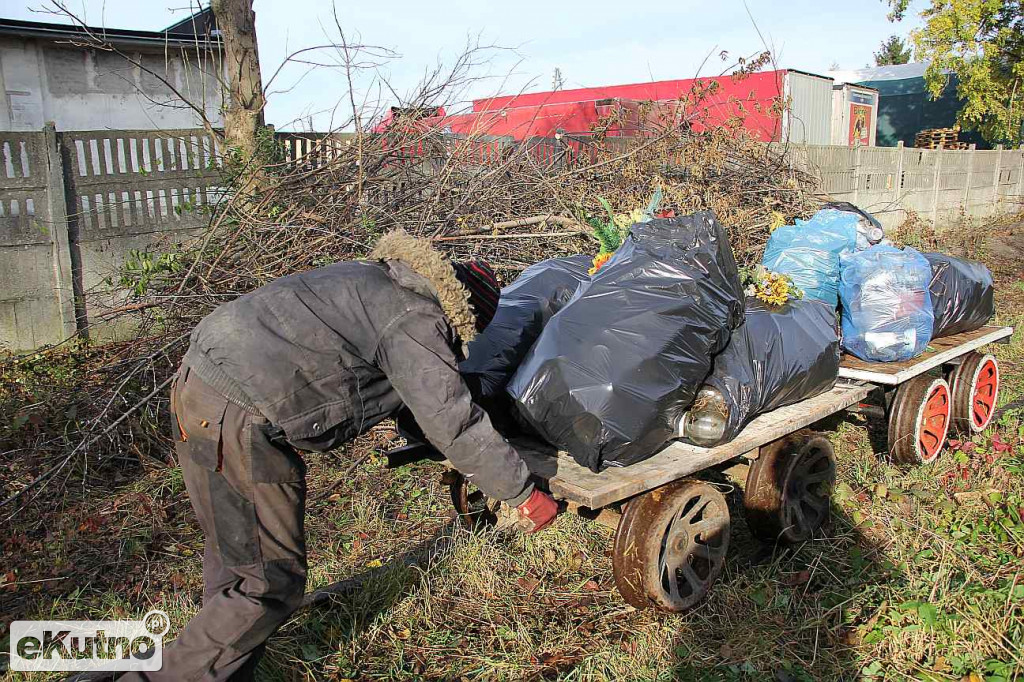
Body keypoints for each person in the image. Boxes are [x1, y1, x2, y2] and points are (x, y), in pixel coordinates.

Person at [122, 229, 558, 681]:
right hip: (241, 416)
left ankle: (217, 671)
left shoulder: (375, 282)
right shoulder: (416, 318)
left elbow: (403, 396)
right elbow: (451, 417)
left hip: (198, 383)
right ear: (463, 312)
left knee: (237, 558)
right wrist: (520, 492)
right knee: (268, 582)